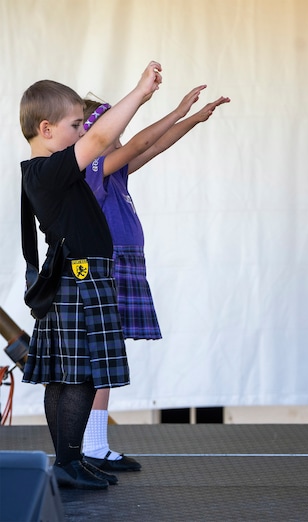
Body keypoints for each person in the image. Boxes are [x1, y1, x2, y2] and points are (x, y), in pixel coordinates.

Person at [19, 62, 162, 489]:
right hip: (78, 279)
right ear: (46, 129)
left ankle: (69, 459)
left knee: (68, 374)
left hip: (80, 277)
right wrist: (138, 93)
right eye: (75, 125)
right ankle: (68, 459)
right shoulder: (49, 170)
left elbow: (124, 146)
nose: (83, 132)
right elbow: (102, 138)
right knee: (78, 375)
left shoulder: (54, 171)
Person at [79, 87, 230, 473]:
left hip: (123, 263)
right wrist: (179, 108)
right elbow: (143, 142)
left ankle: (94, 443)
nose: (123, 138)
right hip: (108, 265)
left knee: (107, 355)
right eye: (115, 133)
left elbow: (151, 148)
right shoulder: (92, 170)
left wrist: (192, 120)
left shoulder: (114, 173)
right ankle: (89, 444)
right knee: (99, 356)